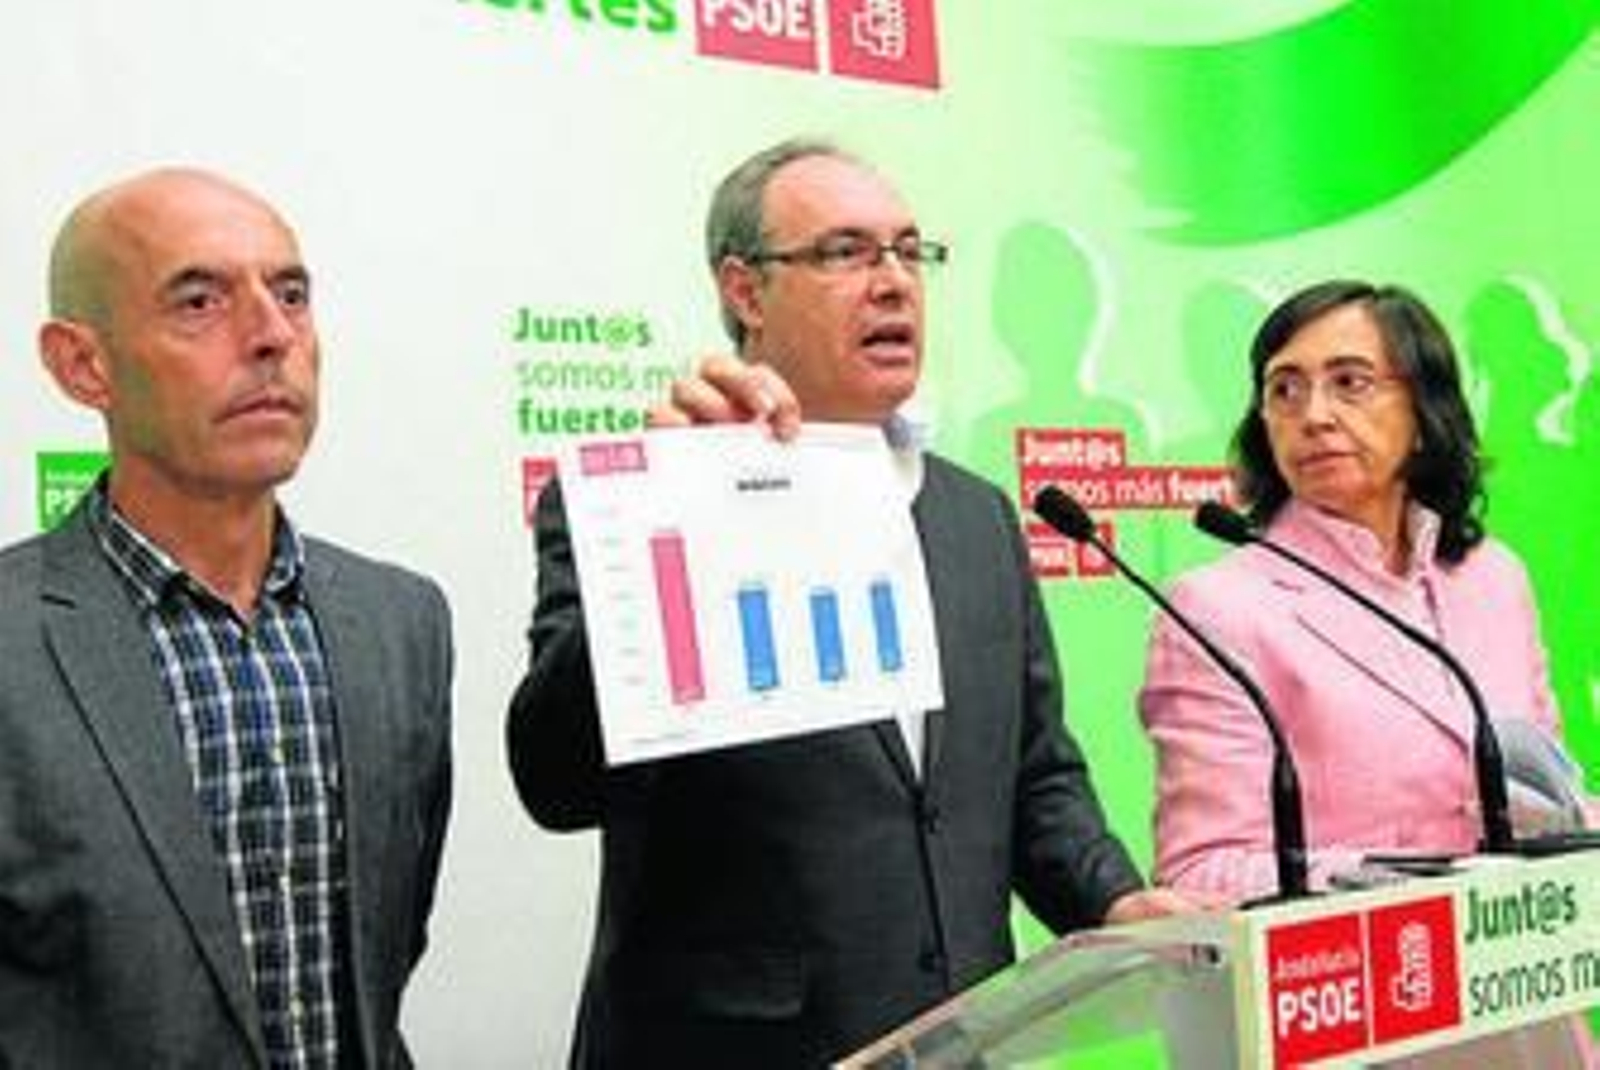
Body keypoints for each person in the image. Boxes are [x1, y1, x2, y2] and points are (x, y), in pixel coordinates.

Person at [506, 138, 1187, 1069]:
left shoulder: (977, 517)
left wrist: (1112, 898)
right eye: (846, 252)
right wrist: (687, 517)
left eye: (910, 251)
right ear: (745, 292)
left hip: (962, 1039)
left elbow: (1036, 775)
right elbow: (557, 781)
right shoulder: (637, 499)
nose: (894, 281)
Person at [0, 168, 453, 1067]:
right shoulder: (16, 642)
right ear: (83, 365)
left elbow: (388, 951)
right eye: (199, 301)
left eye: (291, 294)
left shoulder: (400, 624)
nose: (272, 334)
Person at [1139, 279, 1581, 898]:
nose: (1314, 415)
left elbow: (1551, 796)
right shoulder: (1218, 610)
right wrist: (1417, 883)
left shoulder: (1493, 579)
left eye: (1350, 382)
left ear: (1424, 413)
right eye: (1284, 390)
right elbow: (1204, 869)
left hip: (1518, 951)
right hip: (1359, 955)